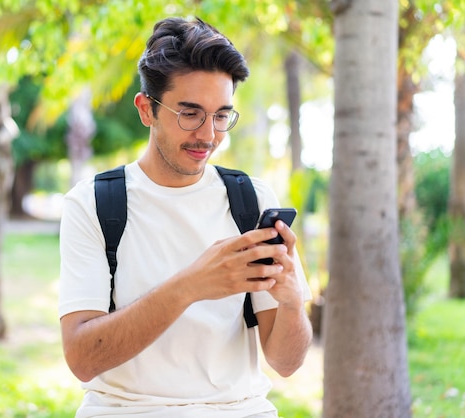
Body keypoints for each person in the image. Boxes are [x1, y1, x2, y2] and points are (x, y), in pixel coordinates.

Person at [58, 16, 313, 418]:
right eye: (190, 113)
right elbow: (82, 359)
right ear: (147, 110)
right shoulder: (93, 203)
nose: (209, 135)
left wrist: (292, 304)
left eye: (221, 115)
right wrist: (192, 285)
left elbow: (286, 362)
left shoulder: (251, 199)